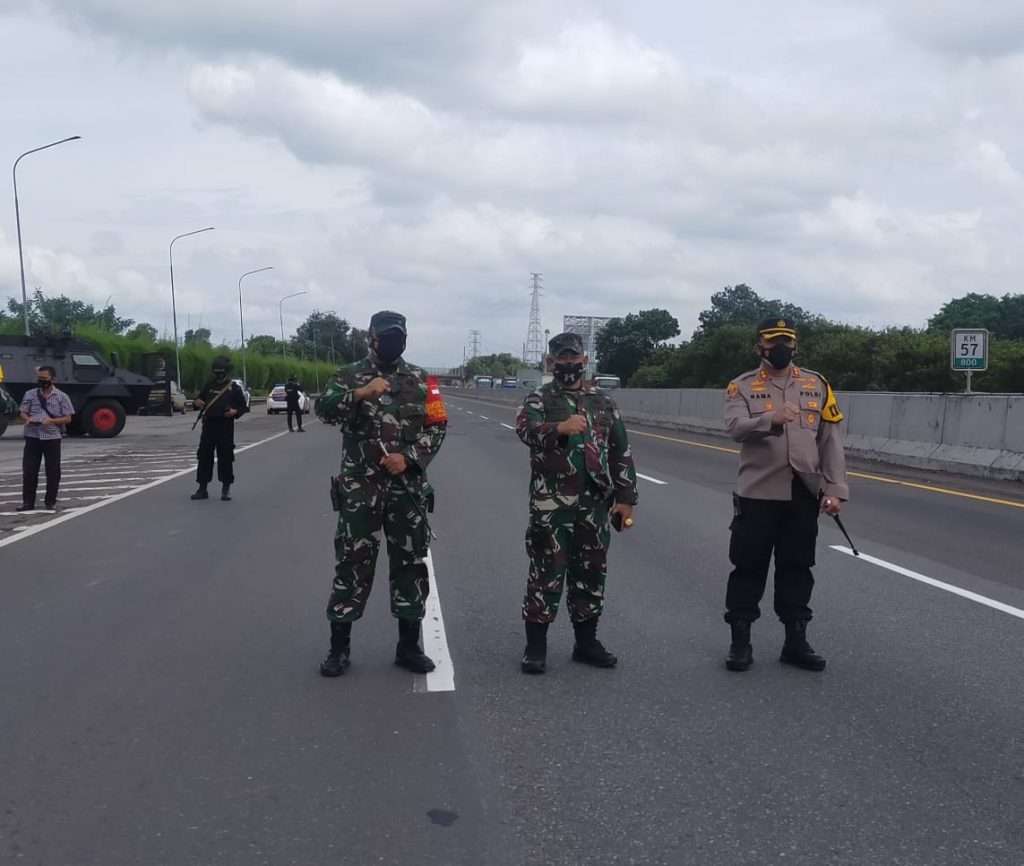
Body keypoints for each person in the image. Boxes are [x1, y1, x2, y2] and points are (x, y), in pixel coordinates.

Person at [316, 310, 448, 677]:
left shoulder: (425, 380)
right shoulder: (348, 376)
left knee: (409, 563)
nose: (392, 341)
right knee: (352, 562)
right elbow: (323, 410)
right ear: (371, 337)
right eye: (385, 335)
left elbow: (438, 426)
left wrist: (409, 458)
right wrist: (359, 393)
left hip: (406, 489)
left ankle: (408, 647)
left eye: (398, 335)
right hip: (361, 489)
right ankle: (338, 648)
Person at [722, 316, 849, 673]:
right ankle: (740, 642)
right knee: (748, 567)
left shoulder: (817, 384)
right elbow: (734, 428)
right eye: (772, 342)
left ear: (795, 345)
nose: (780, 348)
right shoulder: (742, 386)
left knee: (797, 568)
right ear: (759, 347)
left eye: (786, 342)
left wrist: (835, 489)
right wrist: (770, 420)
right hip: (757, 493)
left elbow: (831, 441)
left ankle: (796, 641)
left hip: (803, 493)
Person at [515, 332, 639, 675]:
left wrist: (626, 499)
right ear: (551, 363)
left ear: (584, 361)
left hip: (594, 503)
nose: (568, 364)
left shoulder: (603, 403)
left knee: (591, 573)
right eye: (561, 359)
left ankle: (586, 643)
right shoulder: (539, 399)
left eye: (574, 359)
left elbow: (621, 452)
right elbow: (526, 431)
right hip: (551, 504)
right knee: (546, 572)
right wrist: (561, 428)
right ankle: (535, 647)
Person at [191, 356, 249, 502]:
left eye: (221, 373)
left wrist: (235, 412)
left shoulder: (234, 388)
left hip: (225, 426)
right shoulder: (209, 385)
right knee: (204, 456)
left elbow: (243, 407)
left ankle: (226, 488)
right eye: (217, 373)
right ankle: (202, 488)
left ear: (227, 372)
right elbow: (198, 400)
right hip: (209, 425)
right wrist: (197, 402)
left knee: (226, 457)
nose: (219, 376)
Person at [18, 366, 75, 512]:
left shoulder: (62, 396)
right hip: (33, 436)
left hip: (52, 437)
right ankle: (27, 503)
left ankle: (50, 502)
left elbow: (68, 418)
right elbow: (23, 412)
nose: (42, 381)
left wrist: (52, 421)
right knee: (29, 470)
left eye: (45, 379)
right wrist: (28, 419)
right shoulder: (30, 394)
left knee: (53, 471)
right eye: (40, 379)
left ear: (53, 379)